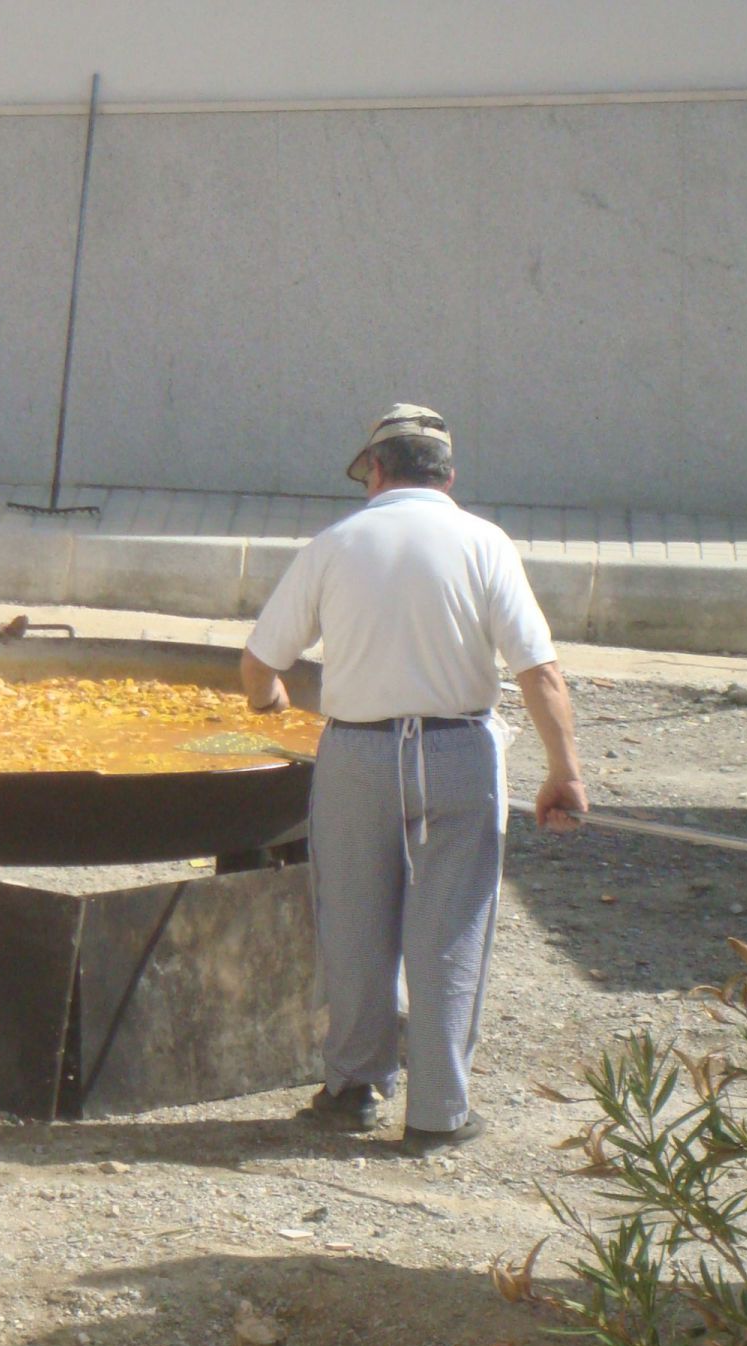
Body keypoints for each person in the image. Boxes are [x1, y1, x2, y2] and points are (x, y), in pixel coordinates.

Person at [240, 404, 587, 1156]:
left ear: (374, 470)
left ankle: (352, 1088)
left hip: (358, 756)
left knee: (355, 923)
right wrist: (564, 772)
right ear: (448, 476)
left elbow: (260, 661)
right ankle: (437, 1112)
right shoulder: (484, 542)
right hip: (460, 751)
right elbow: (540, 671)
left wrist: (268, 702)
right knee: (451, 931)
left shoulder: (336, 544)